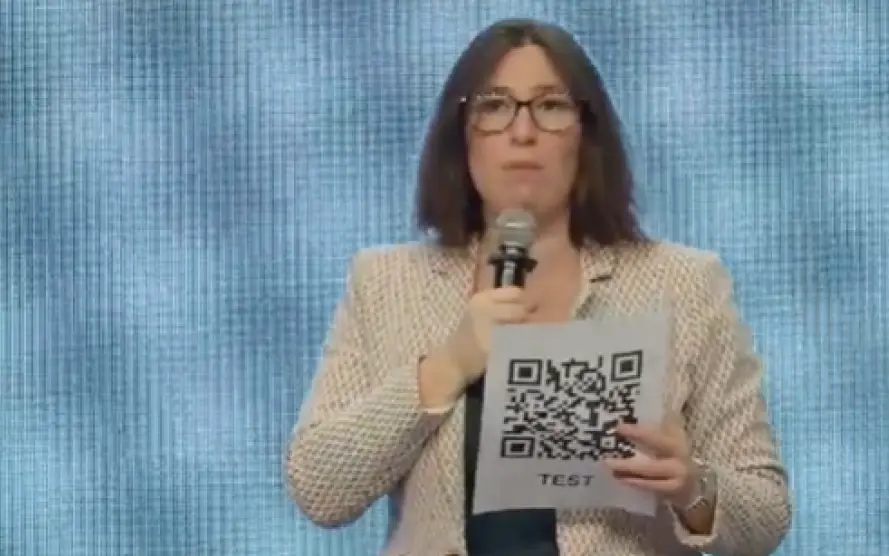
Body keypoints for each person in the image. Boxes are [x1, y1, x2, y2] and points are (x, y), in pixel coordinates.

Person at [284, 17, 791, 556]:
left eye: (550, 106)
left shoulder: (684, 285)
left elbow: (766, 514)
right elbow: (319, 489)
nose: (522, 131)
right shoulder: (387, 283)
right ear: (461, 136)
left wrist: (693, 487)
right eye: (494, 106)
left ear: (586, 135)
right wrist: (447, 367)